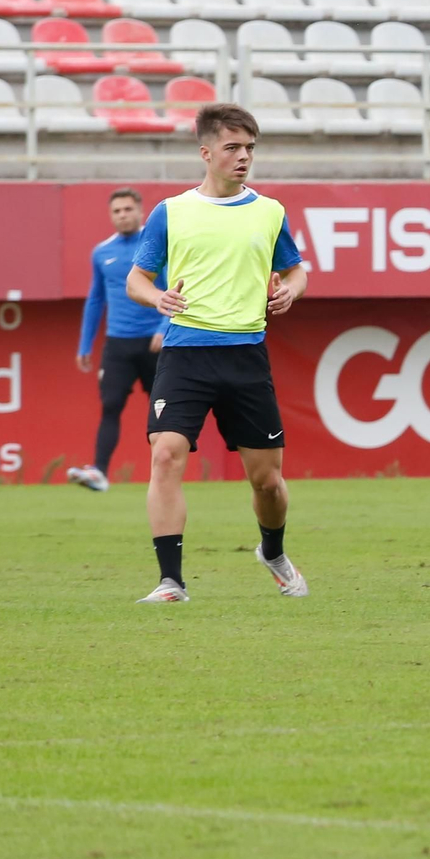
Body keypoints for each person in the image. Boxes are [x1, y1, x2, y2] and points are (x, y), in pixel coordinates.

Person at [125, 104, 309, 603]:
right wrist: (157, 297)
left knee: (267, 481)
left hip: (246, 355)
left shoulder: (269, 212)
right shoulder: (172, 211)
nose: (243, 156)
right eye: (232, 148)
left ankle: (272, 551)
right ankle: (171, 581)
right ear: (206, 154)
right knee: (165, 455)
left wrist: (291, 289)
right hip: (185, 354)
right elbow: (136, 279)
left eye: (249, 148)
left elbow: (295, 270)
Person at [67, 188, 166, 493]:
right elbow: (96, 300)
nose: (122, 215)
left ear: (140, 210)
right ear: (111, 216)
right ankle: (99, 472)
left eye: (127, 209)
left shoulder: (158, 245)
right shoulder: (101, 252)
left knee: (163, 409)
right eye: (117, 211)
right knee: (110, 405)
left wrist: (165, 326)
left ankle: (165, 474)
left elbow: (178, 286)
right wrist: (85, 345)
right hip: (119, 344)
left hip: (156, 342)